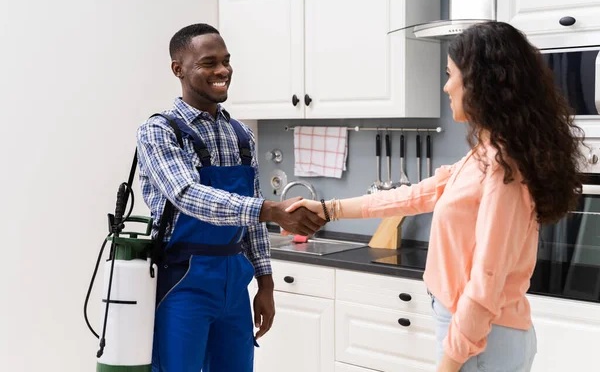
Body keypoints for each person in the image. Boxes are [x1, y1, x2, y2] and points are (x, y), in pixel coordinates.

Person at [284, 21, 584, 372]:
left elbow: (485, 283)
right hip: (473, 335)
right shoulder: (486, 154)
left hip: (483, 342)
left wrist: (449, 362)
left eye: (450, 74)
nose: (446, 86)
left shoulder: (505, 168)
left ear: (479, 83)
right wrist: (327, 209)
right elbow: (412, 196)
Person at [136, 23, 325, 372]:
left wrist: (266, 284)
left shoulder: (240, 134)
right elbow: (187, 195)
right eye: (209, 63)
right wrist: (269, 210)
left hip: (235, 286)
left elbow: (250, 221)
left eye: (226, 61)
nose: (222, 70)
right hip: (181, 285)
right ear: (178, 69)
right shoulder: (160, 130)